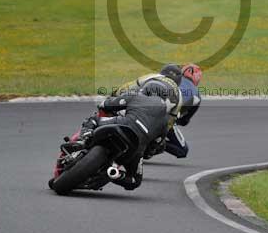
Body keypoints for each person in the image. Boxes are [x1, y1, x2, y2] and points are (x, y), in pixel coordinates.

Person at [50, 64, 183, 190]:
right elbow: (157, 144)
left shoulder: (142, 89)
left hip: (123, 123)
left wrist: (112, 102)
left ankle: (82, 140)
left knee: (93, 119)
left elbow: (109, 102)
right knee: (134, 181)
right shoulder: (168, 117)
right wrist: (146, 151)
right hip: (137, 147)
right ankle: (112, 173)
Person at [164, 64, 203, 158]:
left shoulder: (170, 79)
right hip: (167, 118)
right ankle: (158, 144)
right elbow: (184, 121)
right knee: (182, 151)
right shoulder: (196, 95)